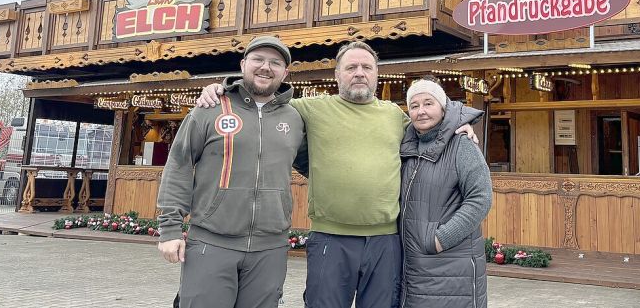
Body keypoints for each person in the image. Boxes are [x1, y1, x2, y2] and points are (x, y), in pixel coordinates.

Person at [196, 41, 477, 308]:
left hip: (385, 241)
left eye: (366, 68)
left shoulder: (394, 115)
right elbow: (260, 101)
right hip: (330, 237)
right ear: (337, 74)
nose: (359, 73)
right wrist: (221, 89)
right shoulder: (308, 109)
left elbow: (430, 124)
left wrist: (459, 126)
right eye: (351, 67)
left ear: (376, 74)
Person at [157, 36, 307, 308]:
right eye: (258, 59)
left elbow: (318, 166)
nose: (266, 67)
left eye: (275, 63)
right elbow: (179, 164)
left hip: (270, 247)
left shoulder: (294, 118)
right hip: (211, 241)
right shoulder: (209, 109)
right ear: (243, 64)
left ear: (285, 73)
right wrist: (170, 230)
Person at [399, 78, 491, 308]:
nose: (421, 111)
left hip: (449, 264)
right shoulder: (406, 146)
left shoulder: (462, 144)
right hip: (413, 267)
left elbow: (480, 198)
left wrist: (440, 239)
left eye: (428, 103)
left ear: (443, 107)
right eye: (414, 105)